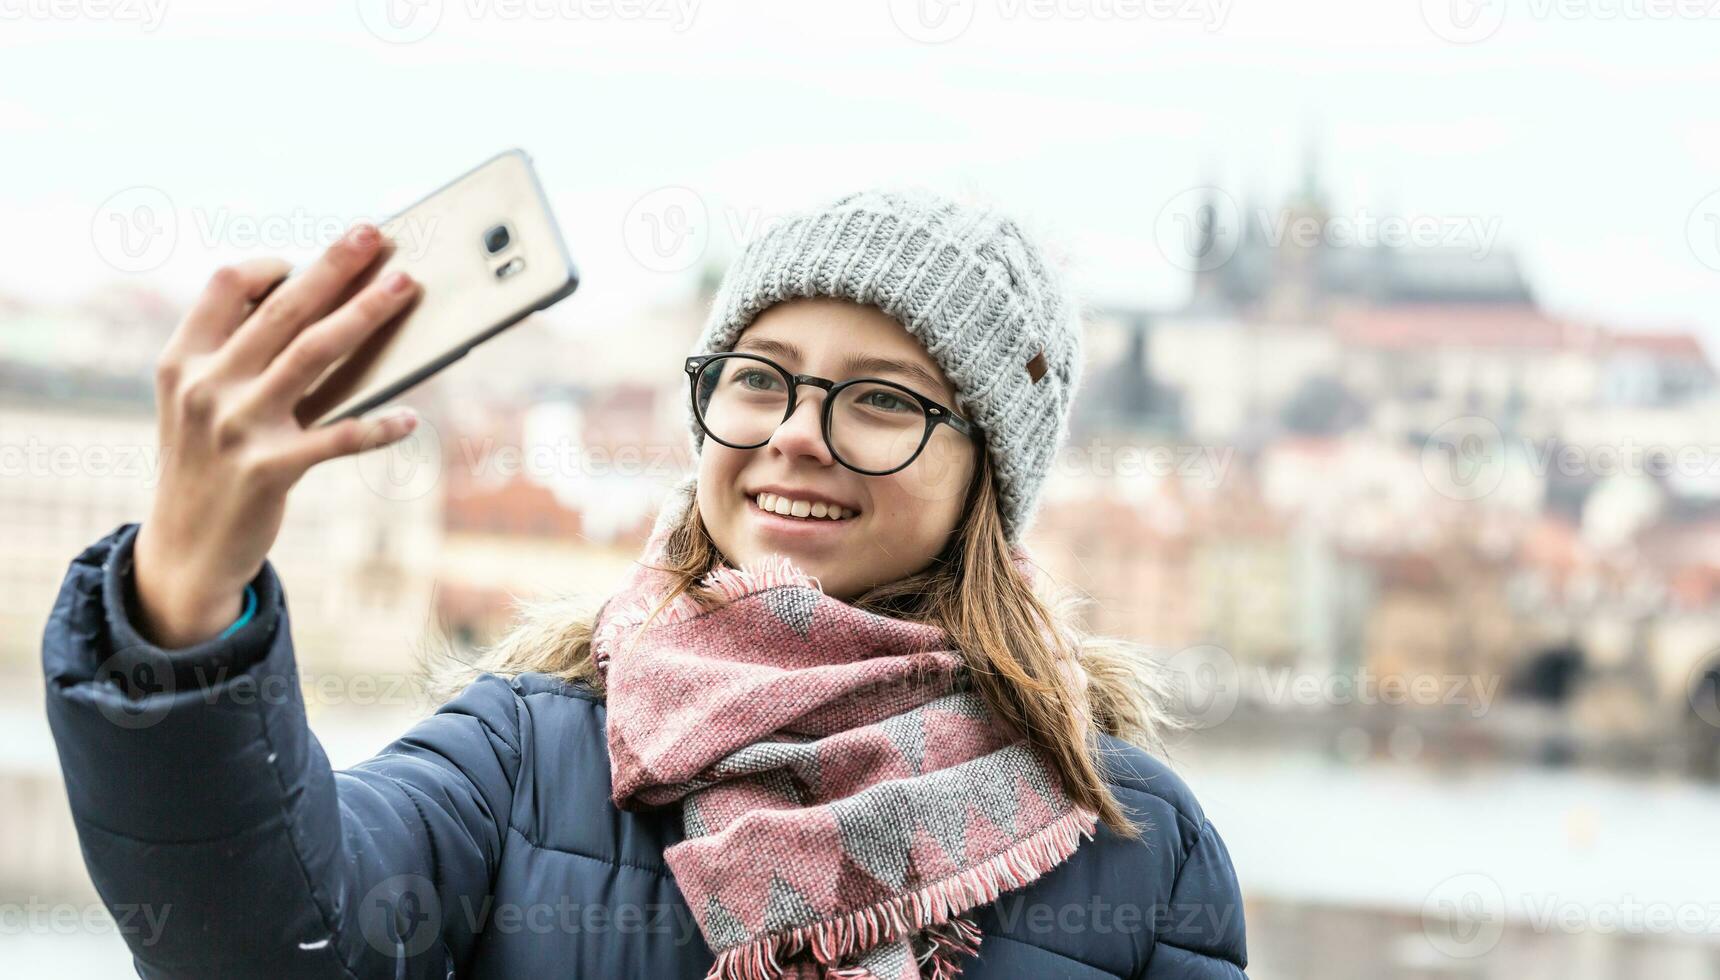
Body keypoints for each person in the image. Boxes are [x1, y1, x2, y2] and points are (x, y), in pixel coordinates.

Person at [41, 189, 1248, 978]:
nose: (797, 433)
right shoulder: (526, 751)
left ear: (989, 470)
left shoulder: (1139, 840)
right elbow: (262, 940)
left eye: (882, 397)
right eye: (759, 376)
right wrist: (187, 590)